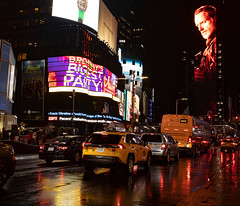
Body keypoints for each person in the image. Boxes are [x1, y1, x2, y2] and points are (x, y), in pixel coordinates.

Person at [194, 5, 217, 81]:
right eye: (197, 26)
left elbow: (214, 76)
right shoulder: (209, 46)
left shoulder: (219, 43)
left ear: (215, 19)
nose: (200, 29)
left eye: (203, 22)